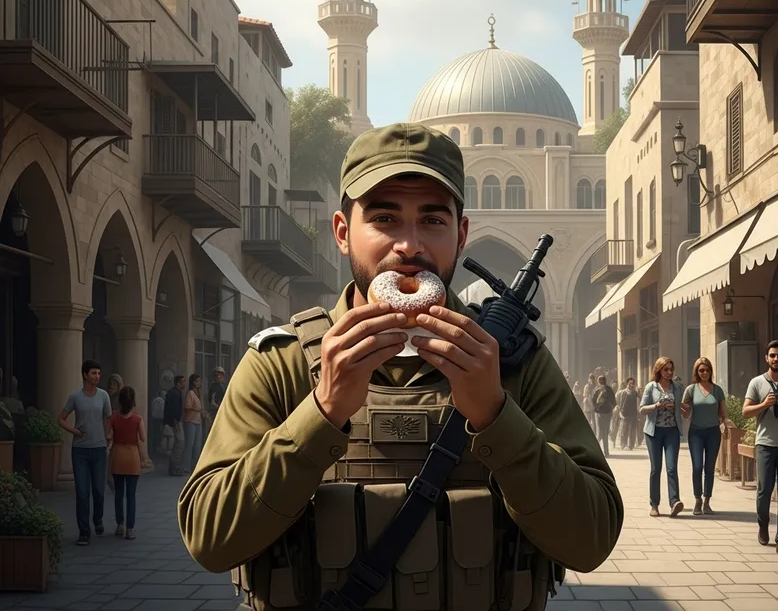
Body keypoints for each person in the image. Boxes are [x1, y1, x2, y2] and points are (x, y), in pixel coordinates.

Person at [177, 122, 624, 611]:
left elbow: (591, 540)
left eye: (432, 220)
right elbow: (210, 540)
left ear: (461, 235)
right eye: (385, 219)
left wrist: (496, 416)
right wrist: (321, 413)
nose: (409, 245)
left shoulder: (514, 362)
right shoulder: (281, 363)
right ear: (343, 233)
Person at [743, 340, 778, 556]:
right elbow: (745, 412)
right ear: (766, 358)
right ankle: (763, 523)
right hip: (765, 444)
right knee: (764, 490)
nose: (776, 359)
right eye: (773, 355)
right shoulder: (756, 383)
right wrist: (764, 404)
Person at [58, 359, 112, 546]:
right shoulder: (75, 397)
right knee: (82, 492)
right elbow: (61, 419)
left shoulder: (104, 396)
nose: (97, 376)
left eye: (99, 373)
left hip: (98, 449)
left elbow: (108, 417)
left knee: (98, 490)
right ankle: (84, 532)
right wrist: (75, 431)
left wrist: (107, 436)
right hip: (80, 451)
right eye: (93, 373)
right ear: (85, 375)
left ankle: (98, 518)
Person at [681, 357, 727, 515]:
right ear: (696, 372)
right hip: (696, 433)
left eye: (707, 370)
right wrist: (682, 408)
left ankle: (707, 501)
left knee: (709, 468)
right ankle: (697, 500)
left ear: (710, 371)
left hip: (713, 432)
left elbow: (723, 413)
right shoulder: (691, 390)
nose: (704, 373)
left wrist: (725, 423)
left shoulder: (717, 390)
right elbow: (685, 413)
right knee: (697, 466)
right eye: (701, 370)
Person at [640, 356, 684, 518]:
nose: (669, 372)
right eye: (666, 369)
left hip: (672, 431)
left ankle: (675, 502)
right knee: (655, 469)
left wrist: (678, 407)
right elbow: (642, 409)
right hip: (654, 433)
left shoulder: (677, 387)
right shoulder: (651, 387)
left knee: (672, 468)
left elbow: (682, 409)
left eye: (671, 369)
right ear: (659, 370)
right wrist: (656, 406)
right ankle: (654, 504)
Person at [107, 385, 145, 540]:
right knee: (131, 495)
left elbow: (107, 434)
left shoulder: (113, 417)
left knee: (118, 494)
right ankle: (130, 529)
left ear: (120, 400)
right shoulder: (137, 418)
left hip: (117, 455)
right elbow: (143, 438)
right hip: (132, 457)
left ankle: (120, 525)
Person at [163, 375, 186, 476]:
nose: (184, 384)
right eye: (183, 382)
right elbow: (173, 408)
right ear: (178, 383)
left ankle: (174, 467)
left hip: (175, 421)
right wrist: (175, 421)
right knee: (180, 443)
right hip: (175, 422)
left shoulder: (174, 392)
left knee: (178, 443)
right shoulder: (175, 393)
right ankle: (175, 468)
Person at [592, 375, 616, 456]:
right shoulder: (607, 389)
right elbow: (613, 401)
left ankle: (599, 451)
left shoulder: (598, 389)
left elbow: (593, 401)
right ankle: (604, 452)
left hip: (601, 413)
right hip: (604, 413)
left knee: (601, 432)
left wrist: (596, 409)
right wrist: (610, 408)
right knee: (604, 432)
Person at [618, 377, 639, 450]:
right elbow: (621, 403)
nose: (631, 385)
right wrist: (620, 412)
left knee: (632, 431)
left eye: (632, 383)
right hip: (625, 414)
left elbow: (638, 402)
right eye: (630, 383)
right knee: (624, 430)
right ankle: (623, 444)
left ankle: (631, 445)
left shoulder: (635, 393)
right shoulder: (623, 392)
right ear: (627, 384)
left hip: (633, 414)